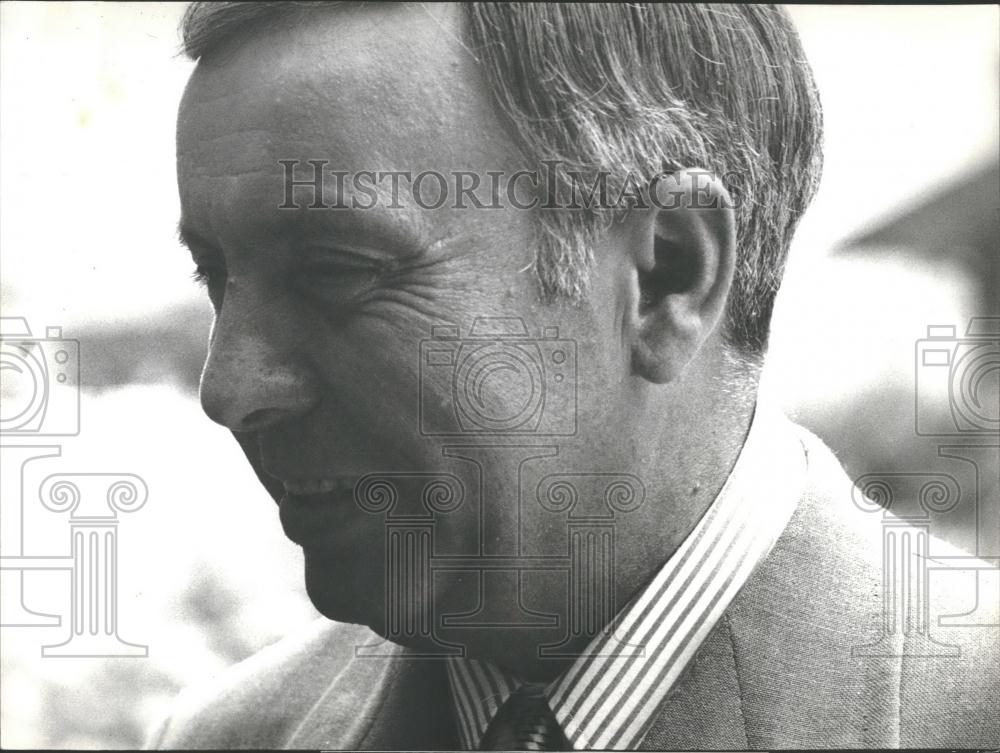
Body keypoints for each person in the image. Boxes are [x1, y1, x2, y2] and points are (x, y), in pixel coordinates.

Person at [150, 2, 999, 749]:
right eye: (218, 275)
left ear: (667, 278)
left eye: (336, 271)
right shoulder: (228, 735)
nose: (231, 387)